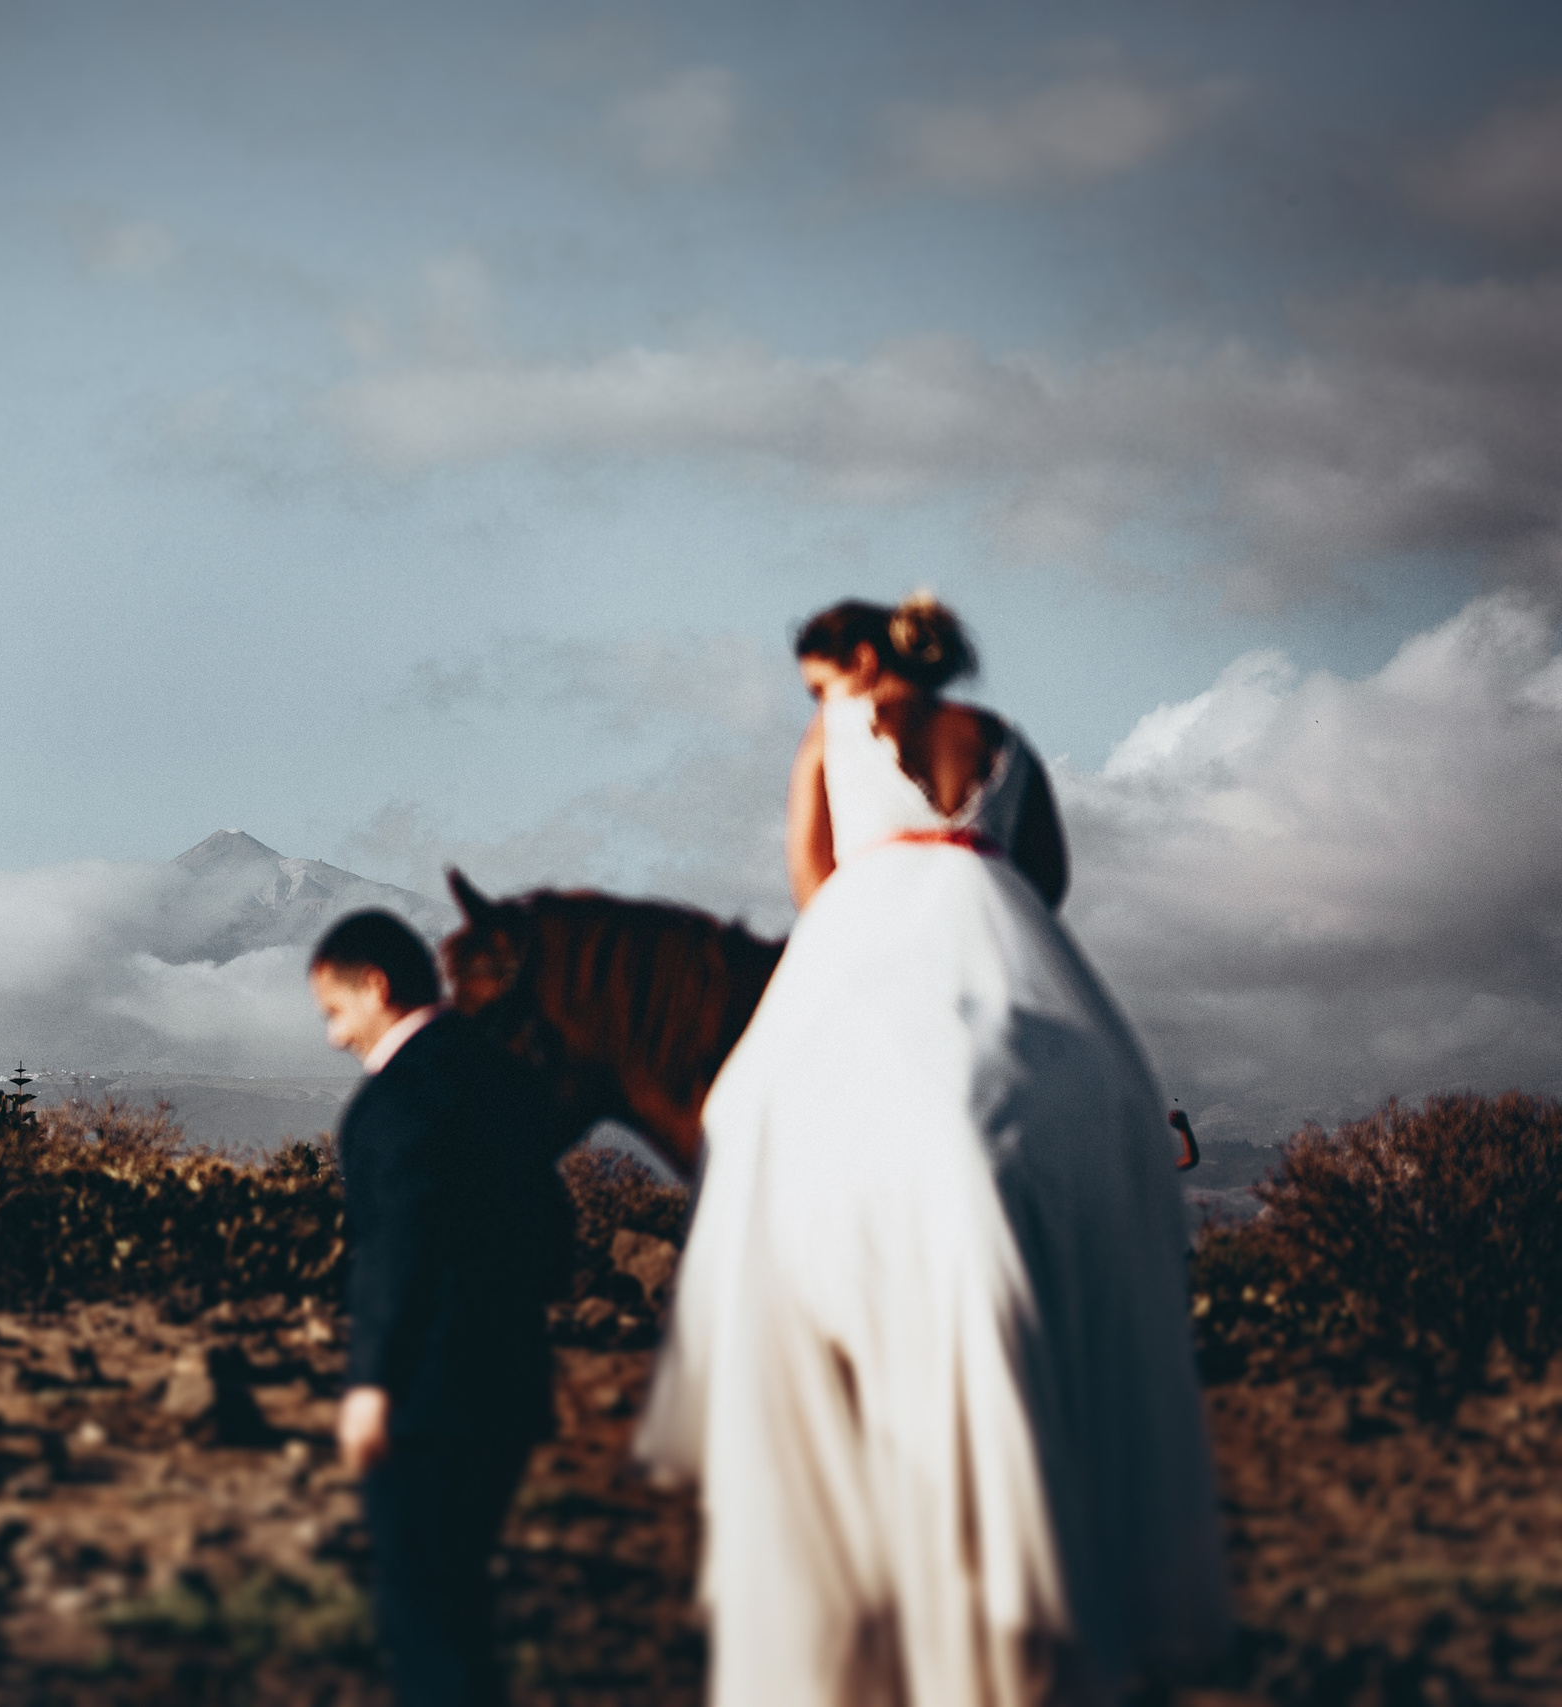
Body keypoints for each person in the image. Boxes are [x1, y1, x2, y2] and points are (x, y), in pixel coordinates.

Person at [633, 593, 1230, 1706]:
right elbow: (1045, 877)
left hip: (875, 918)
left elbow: (812, 875)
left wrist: (875, 914)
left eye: (819, 679)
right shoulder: (1001, 743)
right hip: (999, 930)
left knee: (749, 1110)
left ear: (858, 661)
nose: (819, 700)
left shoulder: (836, 730)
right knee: (1118, 1101)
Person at [309, 909, 570, 1707]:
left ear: (377, 987)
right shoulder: (507, 1078)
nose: (333, 1035)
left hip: (428, 1401)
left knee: (422, 1619)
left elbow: (395, 1253)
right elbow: (555, 1227)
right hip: (512, 1385)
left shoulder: (389, 1107)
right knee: (463, 1613)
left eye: (335, 1010)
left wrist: (369, 1385)